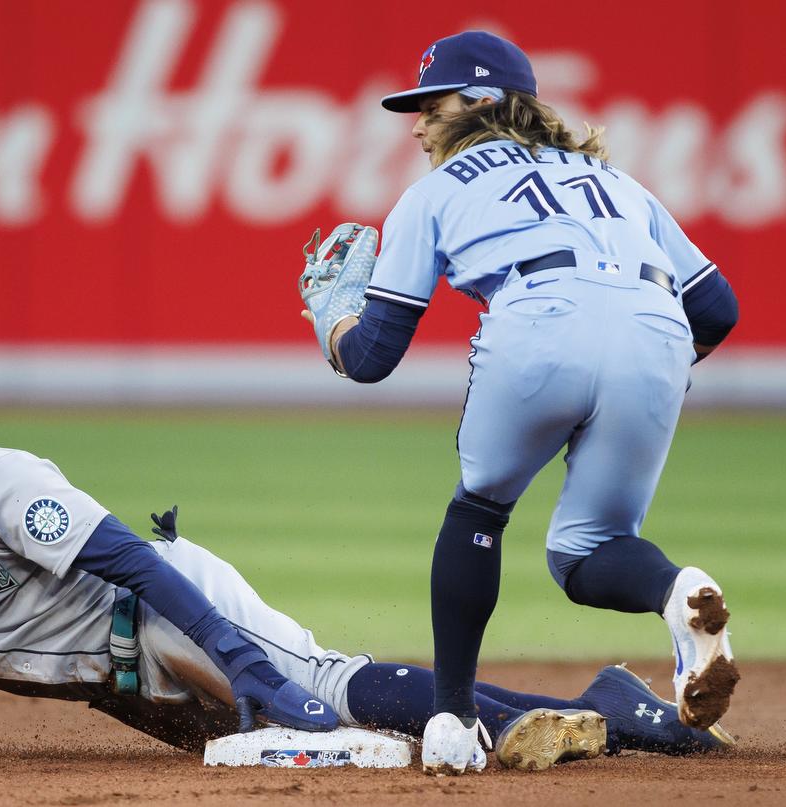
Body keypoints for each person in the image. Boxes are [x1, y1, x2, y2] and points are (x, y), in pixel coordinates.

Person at [0, 338, 732, 771]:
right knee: (281, 726)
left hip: (161, 606)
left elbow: (131, 564)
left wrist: (246, 666)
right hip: (115, 672)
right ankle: (583, 702)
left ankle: (617, 709)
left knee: (320, 692)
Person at [297, 31, 741, 774]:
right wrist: (646, 364)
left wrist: (328, 317)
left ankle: (451, 716)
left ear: (482, 101)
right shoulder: (620, 183)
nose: (416, 123)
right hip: (658, 330)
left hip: (538, 318)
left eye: (430, 103)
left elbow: (371, 357)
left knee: (479, 508)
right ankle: (678, 589)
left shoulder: (434, 192)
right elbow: (719, 309)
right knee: (588, 549)